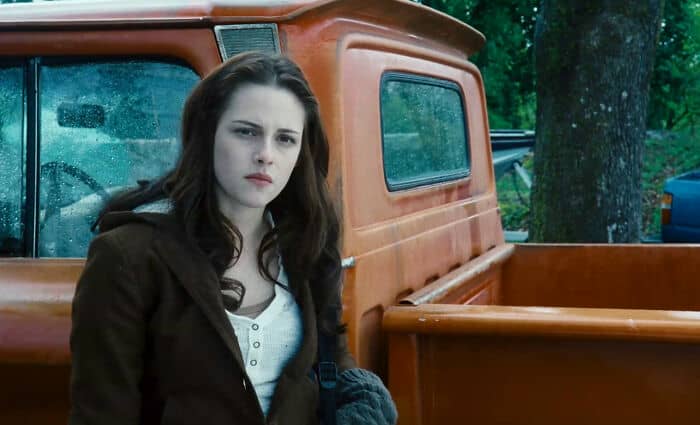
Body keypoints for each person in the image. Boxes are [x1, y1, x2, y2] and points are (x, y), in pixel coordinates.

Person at [69, 51, 397, 425]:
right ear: (207, 133)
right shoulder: (128, 256)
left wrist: (364, 405)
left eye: (285, 139)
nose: (265, 155)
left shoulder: (306, 241)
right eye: (246, 132)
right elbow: (102, 414)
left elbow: (330, 360)